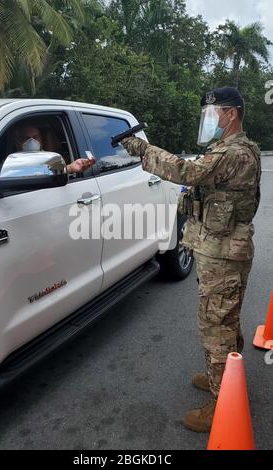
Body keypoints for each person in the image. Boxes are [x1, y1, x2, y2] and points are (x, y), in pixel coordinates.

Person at [121, 87, 261, 433]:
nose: (209, 121)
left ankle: (221, 404)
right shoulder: (226, 149)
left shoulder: (235, 152)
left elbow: (188, 172)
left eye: (213, 115)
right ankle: (228, 376)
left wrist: (142, 148)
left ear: (231, 114)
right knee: (225, 319)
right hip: (220, 248)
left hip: (224, 252)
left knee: (216, 326)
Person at [14, 123, 95, 174]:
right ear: (17, 141)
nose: (32, 141)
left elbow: (48, 171)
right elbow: (28, 173)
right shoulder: (12, 161)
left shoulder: (49, 157)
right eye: (26, 138)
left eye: (35, 137)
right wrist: (68, 168)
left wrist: (69, 168)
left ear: (41, 139)